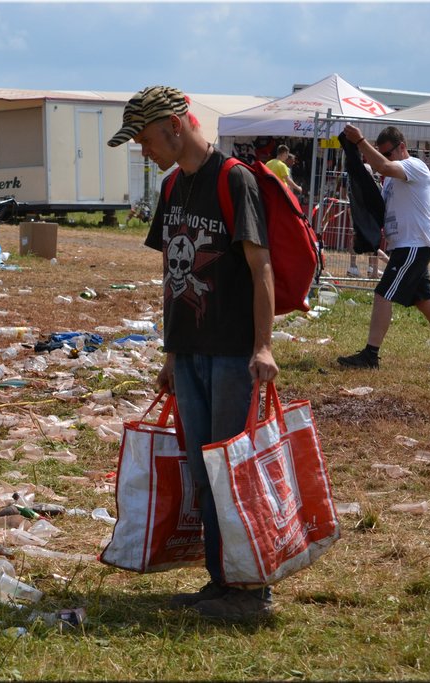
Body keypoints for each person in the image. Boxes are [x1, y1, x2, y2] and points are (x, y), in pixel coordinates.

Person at [108, 86, 277, 620]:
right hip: (189, 355)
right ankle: (219, 581)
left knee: (232, 469)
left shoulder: (235, 180)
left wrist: (264, 345)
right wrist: (170, 354)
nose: (143, 149)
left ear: (174, 128)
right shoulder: (172, 186)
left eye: (144, 137)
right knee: (203, 472)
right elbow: (171, 278)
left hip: (231, 353)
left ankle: (251, 592)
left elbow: (261, 267)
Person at [337, 124, 430, 372]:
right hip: (405, 247)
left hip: (413, 245)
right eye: (382, 153)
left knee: (383, 293)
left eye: (389, 153)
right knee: (425, 301)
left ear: (402, 147)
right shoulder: (390, 182)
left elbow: (384, 167)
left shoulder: (414, 167)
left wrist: (361, 142)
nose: (385, 159)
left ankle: (370, 355)